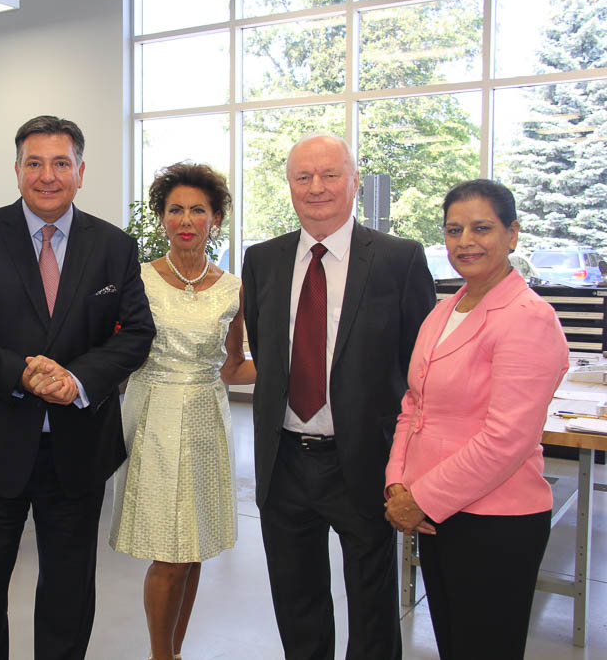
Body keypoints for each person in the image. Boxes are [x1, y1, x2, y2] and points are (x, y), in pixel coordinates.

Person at [0, 114, 156, 660]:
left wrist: (77, 379)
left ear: (81, 171)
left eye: (60, 163)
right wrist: (22, 373)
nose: (47, 176)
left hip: (78, 448)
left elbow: (137, 333)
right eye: (34, 163)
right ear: (17, 170)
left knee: (69, 591)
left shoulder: (114, 246)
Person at [242, 132, 435, 660]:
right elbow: (266, 351)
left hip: (365, 461)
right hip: (284, 460)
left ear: (354, 181)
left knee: (373, 607)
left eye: (330, 175)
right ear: (289, 185)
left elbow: (420, 370)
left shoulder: (398, 259)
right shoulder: (263, 259)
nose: (317, 187)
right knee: (296, 601)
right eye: (303, 177)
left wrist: (410, 467)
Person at [384, 179, 568, 660]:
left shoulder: (528, 317)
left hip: (495, 523)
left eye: (482, 228)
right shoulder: (444, 311)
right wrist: (397, 483)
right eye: (454, 230)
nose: (465, 241)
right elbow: (414, 405)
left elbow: (507, 439)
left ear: (512, 234)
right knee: (453, 644)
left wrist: (421, 498)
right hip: (435, 516)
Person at [109, 162, 255, 660]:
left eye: (197, 210)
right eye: (175, 210)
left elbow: (232, 367)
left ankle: (173, 651)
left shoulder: (233, 288)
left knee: (193, 552)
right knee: (168, 554)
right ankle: (160, 654)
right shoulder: (138, 279)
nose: (186, 220)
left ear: (216, 218)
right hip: (154, 416)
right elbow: (115, 354)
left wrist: (300, 369)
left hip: (208, 420)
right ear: (162, 218)